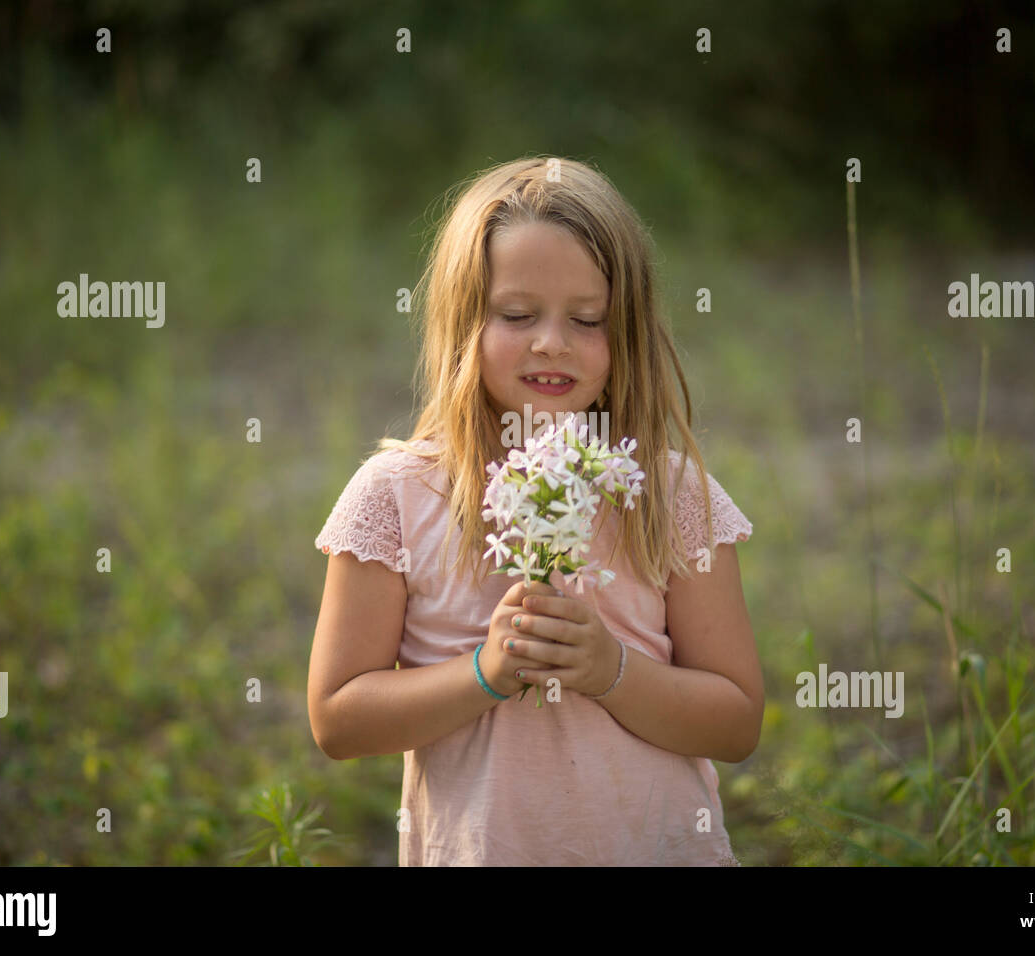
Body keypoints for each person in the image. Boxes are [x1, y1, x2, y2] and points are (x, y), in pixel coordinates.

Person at [307, 157, 763, 865]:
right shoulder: (397, 495)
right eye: (517, 315)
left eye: (588, 320)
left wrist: (609, 669)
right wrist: (485, 673)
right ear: (464, 321)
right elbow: (337, 719)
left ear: (629, 332)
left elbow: (736, 723)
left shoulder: (667, 497)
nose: (552, 342)